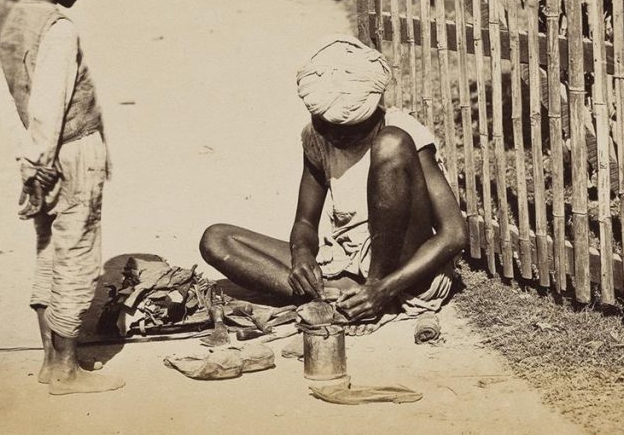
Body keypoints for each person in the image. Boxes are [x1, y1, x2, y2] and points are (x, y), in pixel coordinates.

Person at [200, 35, 467, 335]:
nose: (332, 135)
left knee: (390, 144)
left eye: (344, 130)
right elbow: (304, 221)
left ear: (371, 113)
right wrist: (301, 254)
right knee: (216, 239)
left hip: (402, 269)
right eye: (322, 125)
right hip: (345, 261)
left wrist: (381, 288)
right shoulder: (317, 138)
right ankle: (337, 298)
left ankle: (372, 298)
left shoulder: (403, 134)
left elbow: (454, 234)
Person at [0, 0, 124, 395]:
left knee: (48, 251)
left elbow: (13, 106)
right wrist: (43, 161)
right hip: (70, 156)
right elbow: (50, 107)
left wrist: (28, 163)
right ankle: (67, 371)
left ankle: (49, 359)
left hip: (40, 160)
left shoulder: (13, 23)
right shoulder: (59, 27)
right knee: (77, 256)